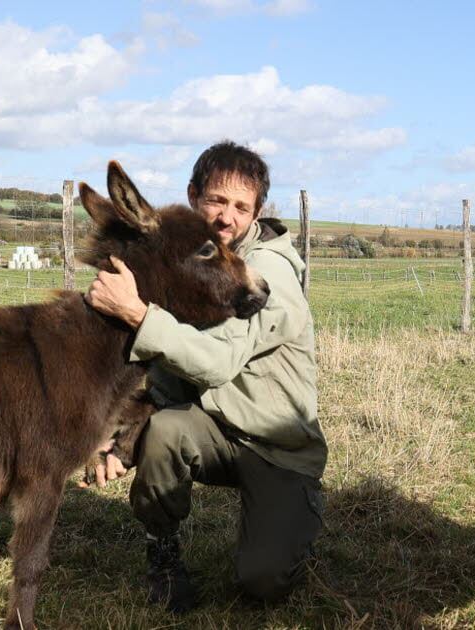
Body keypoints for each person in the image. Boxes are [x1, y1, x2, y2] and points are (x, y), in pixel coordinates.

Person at [84, 140, 326, 612]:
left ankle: (296, 523)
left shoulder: (266, 270)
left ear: (256, 213)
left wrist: (137, 314)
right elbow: (168, 376)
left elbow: (217, 361)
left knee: (264, 581)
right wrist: (115, 437)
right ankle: (162, 550)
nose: (225, 217)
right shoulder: (194, 265)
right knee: (165, 431)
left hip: (277, 446)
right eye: (216, 200)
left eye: (241, 207)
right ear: (194, 196)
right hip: (213, 429)